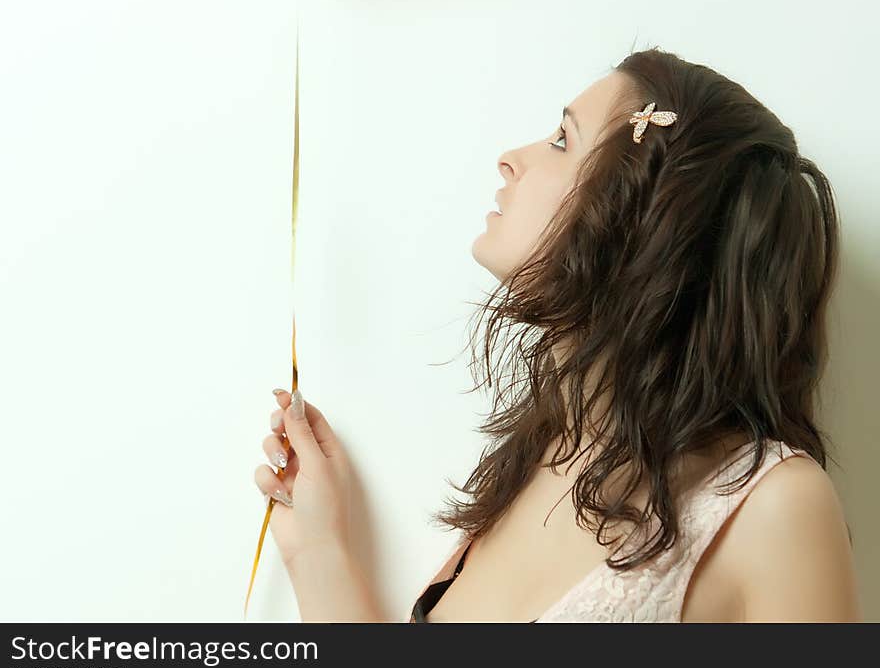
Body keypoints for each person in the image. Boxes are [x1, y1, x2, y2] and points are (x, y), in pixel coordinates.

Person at [253, 47, 863, 622]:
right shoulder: (543, 454)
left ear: (644, 221)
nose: (511, 157)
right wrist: (319, 550)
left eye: (561, 139)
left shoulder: (775, 509)